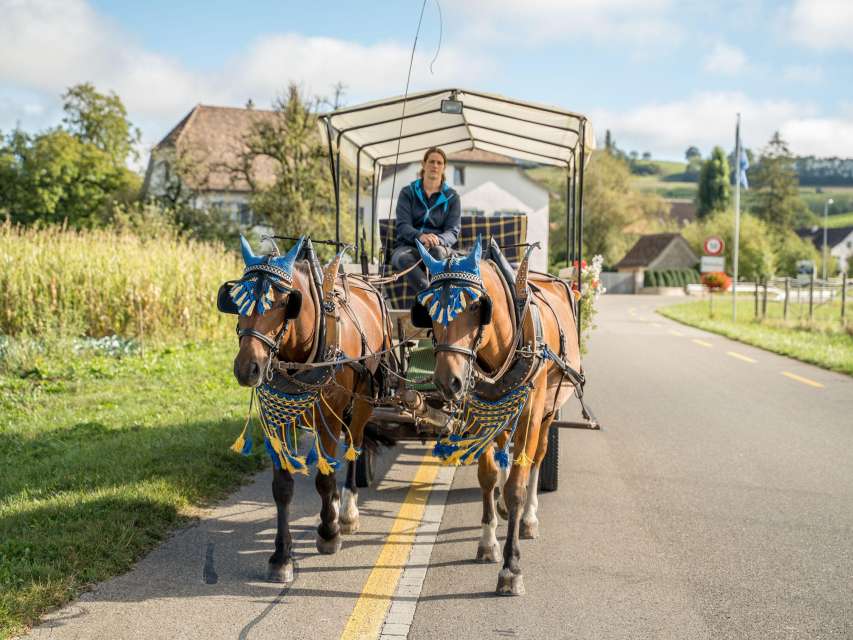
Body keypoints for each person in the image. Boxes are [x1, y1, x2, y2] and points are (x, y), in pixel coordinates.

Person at [391, 146, 461, 290]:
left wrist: (438, 240)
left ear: (444, 167)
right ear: (424, 164)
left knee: (437, 252)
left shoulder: (452, 197)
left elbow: (453, 231)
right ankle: (431, 295)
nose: (435, 166)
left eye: (439, 163)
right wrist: (421, 236)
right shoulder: (407, 192)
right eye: (431, 161)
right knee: (402, 258)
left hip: (439, 247)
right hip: (409, 246)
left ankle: (435, 295)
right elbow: (403, 225)